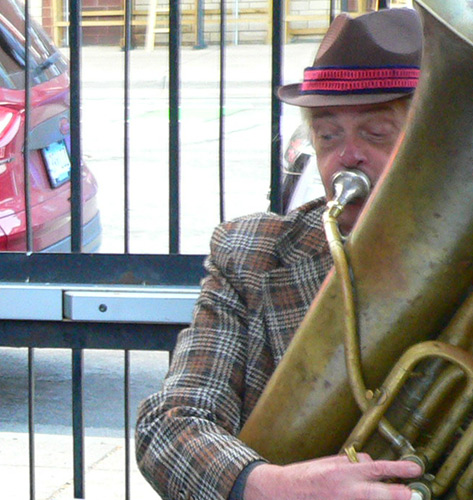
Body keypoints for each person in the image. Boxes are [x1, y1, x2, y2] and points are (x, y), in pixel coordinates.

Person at [136, 7, 423, 500]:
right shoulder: (252, 253)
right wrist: (271, 487)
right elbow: (171, 423)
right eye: (328, 134)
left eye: (376, 132)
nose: (346, 156)